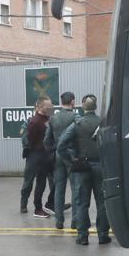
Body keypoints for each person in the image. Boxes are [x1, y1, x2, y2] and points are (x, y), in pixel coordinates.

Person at [57, 95, 111, 246]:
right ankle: (102, 235)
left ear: (82, 107)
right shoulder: (104, 123)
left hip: (82, 167)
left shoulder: (77, 124)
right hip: (101, 167)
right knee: (102, 202)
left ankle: (82, 236)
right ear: (95, 107)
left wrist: (71, 160)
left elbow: (61, 145)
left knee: (81, 202)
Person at [45, 91, 79, 229]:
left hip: (58, 156)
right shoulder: (76, 117)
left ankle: (59, 221)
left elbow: (47, 140)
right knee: (75, 189)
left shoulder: (53, 118)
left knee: (59, 188)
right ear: (72, 101)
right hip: (72, 157)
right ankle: (74, 222)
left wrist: (54, 151)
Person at [20, 96, 53, 217]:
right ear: (39, 106)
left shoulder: (48, 118)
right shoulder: (34, 121)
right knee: (28, 182)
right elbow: (30, 140)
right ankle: (23, 204)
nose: (50, 107)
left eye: (51, 105)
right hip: (34, 155)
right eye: (47, 106)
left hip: (45, 156)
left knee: (41, 183)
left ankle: (38, 208)